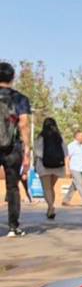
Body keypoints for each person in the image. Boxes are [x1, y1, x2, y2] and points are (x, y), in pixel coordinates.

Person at [0, 62, 31, 237]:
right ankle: (13, 227)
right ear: (12, 78)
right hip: (12, 148)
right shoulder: (20, 98)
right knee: (12, 187)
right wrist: (27, 150)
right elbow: (24, 124)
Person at [33, 117, 68, 220]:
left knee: (46, 188)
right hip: (57, 166)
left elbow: (38, 151)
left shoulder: (41, 137)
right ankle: (50, 208)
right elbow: (65, 151)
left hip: (44, 165)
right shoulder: (59, 137)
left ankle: (50, 207)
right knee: (51, 188)